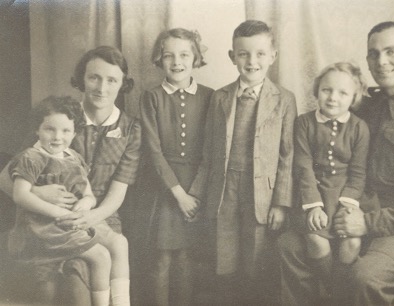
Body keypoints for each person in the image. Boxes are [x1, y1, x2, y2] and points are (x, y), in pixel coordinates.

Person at [278, 21, 394, 306]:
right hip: (350, 210)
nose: (381, 61)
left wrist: (368, 223)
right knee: (290, 246)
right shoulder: (365, 105)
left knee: (365, 277)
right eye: (373, 53)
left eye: (391, 52)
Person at [0, 46, 141, 306]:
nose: (102, 88)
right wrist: (37, 193)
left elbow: (117, 193)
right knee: (75, 287)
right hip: (48, 215)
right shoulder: (58, 120)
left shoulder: (130, 128)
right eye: (94, 77)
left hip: (101, 215)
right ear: (81, 79)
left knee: (113, 250)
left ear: (123, 84)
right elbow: (6, 177)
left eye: (112, 80)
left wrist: (89, 215)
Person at [189, 20, 297, 304]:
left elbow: (288, 155)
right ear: (232, 57)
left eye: (260, 53)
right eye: (244, 54)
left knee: (255, 254)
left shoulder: (284, 99)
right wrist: (197, 193)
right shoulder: (221, 97)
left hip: (261, 190)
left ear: (273, 56)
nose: (252, 61)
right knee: (224, 253)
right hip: (225, 187)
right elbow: (209, 152)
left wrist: (280, 203)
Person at [136, 28, 213, 306]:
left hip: (197, 188)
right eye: (169, 56)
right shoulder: (152, 97)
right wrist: (179, 195)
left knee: (186, 257)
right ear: (159, 59)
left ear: (196, 58)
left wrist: (196, 194)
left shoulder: (210, 96)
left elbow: (211, 151)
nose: (177, 62)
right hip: (164, 187)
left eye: (184, 55)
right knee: (162, 258)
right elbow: (153, 151)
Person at [293, 62, 369, 293]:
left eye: (343, 92)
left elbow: (358, 172)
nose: (333, 98)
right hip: (314, 192)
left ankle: (339, 292)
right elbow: (303, 167)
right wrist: (313, 206)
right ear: (317, 91)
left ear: (354, 97)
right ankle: (329, 290)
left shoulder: (359, 128)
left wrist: (348, 204)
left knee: (352, 241)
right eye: (327, 90)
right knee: (316, 239)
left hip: (345, 194)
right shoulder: (304, 123)